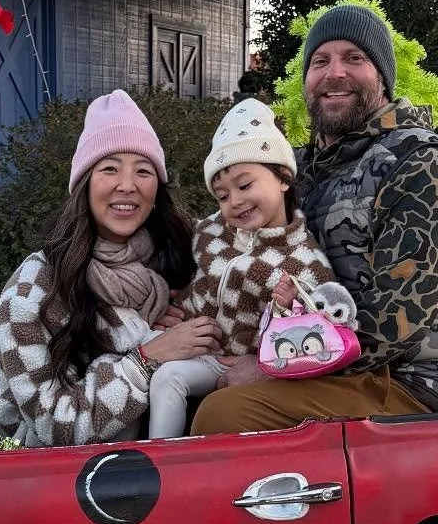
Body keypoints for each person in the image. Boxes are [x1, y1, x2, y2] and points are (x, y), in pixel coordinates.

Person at [190, 4, 438, 435]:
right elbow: (226, 239)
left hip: (405, 385)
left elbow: (392, 323)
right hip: (305, 361)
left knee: (225, 414)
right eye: (320, 61)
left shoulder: (425, 169)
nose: (334, 73)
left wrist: (273, 366)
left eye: (354, 58)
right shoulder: (298, 167)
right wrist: (181, 309)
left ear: (382, 76)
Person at [0, 90, 218, 446]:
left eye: (143, 171)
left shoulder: (175, 261)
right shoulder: (34, 288)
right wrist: (148, 356)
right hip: (59, 485)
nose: (127, 185)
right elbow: (55, 425)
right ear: (84, 183)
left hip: (167, 478)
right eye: (109, 168)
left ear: (157, 188)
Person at [146, 98, 355, 438]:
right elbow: (191, 282)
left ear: (283, 178)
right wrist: (171, 310)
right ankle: (153, 455)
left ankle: (174, 466)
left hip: (251, 366)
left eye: (245, 186)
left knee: (174, 379)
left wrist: (266, 364)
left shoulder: (303, 262)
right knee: (160, 371)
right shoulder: (209, 233)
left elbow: (318, 340)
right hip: (202, 349)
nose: (235, 202)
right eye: (222, 195)